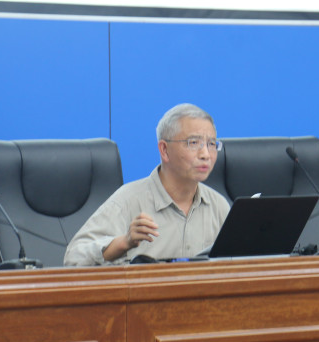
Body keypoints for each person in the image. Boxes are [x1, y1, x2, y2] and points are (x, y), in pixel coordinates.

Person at [64, 103, 230, 265]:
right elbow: (73, 258)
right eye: (193, 143)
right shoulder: (128, 201)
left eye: (211, 144)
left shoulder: (218, 206)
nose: (206, 154)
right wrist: (124, 242)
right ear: (164, 150)